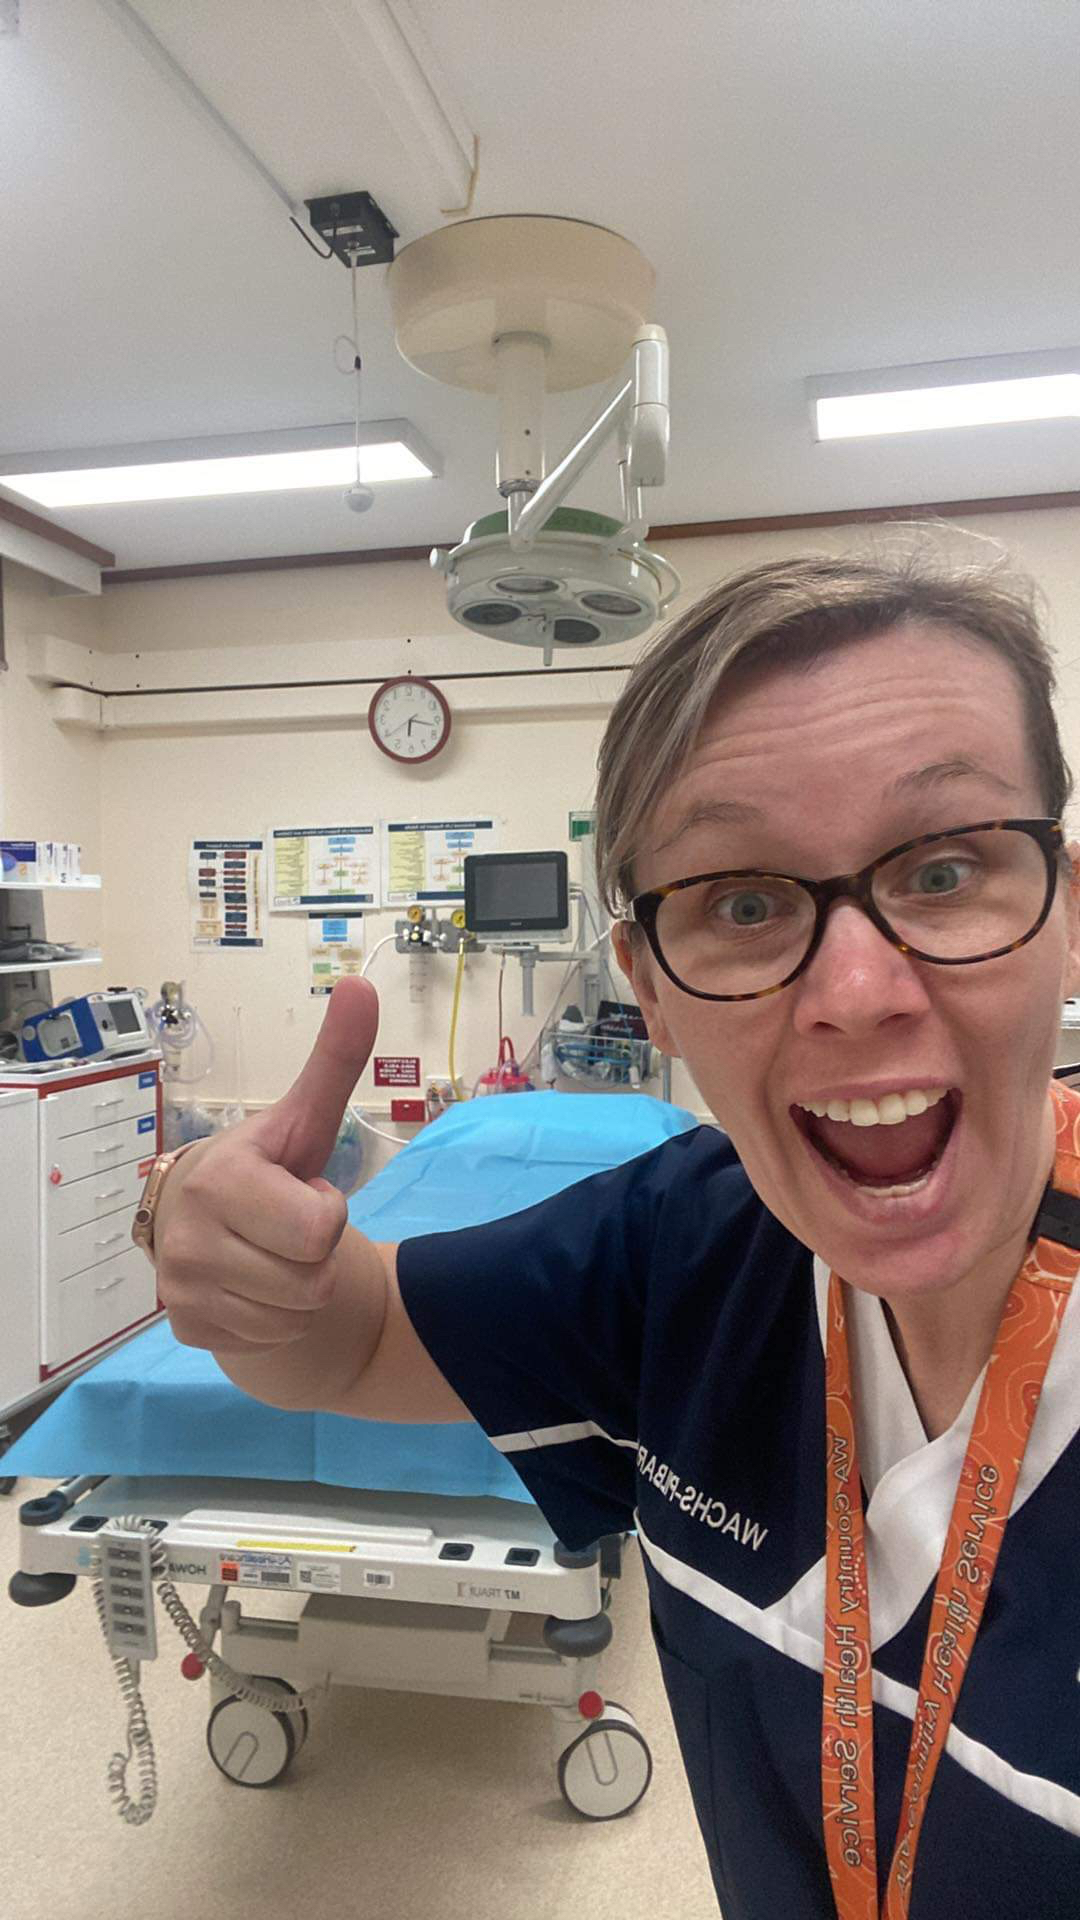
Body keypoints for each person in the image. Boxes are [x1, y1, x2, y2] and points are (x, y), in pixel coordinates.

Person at [149, 547, 1080, 1919]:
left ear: (1064, 904)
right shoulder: (680, 1254)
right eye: (746, 905)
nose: (858, 990)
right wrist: (213, 1234)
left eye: (943, 870)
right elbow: (349, 1342)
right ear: (646, 984)